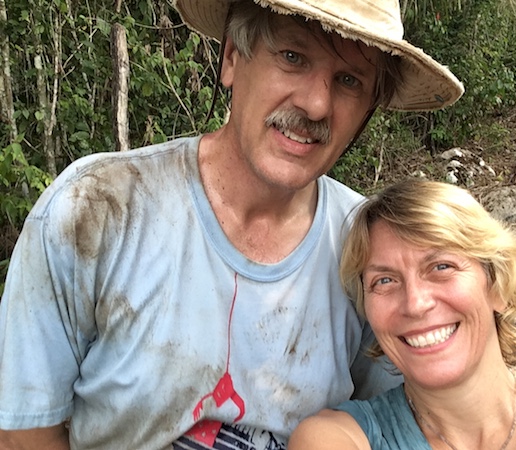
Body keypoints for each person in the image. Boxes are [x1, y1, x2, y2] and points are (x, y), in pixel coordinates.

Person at [0, 1, 464, 449]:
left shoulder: (369, 251)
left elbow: (401, 420)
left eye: (348, 80)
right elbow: (24, 432)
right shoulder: (95, 208)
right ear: (231, 59)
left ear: (366, 110)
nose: (318, 104)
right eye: (292, 57)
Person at [288, 179, 516, 450]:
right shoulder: (339, 438)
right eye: (384, 280)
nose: (415, 303)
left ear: (499, 286)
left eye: (441, 267)